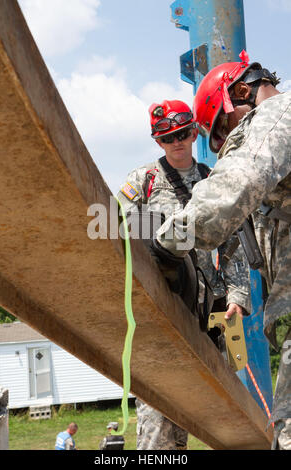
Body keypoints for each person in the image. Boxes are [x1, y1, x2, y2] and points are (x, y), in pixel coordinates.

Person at [155, 51, 291, 450]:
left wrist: (166, 246)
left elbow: (230, 190)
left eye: (220, 132)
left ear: (243, 92)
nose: (219, 147)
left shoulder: (277, 114)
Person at [117, 99, 251, 450]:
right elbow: (120, 234)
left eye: (182, 133)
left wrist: (237, 296)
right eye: (167, 137)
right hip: (162, 312)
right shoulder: (144, 181)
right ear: (157, 142)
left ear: (194, 133)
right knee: (159, 423)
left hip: (208, 315)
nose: (176, 142)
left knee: (218, 420)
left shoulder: (213, 181)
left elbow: (233, 242)